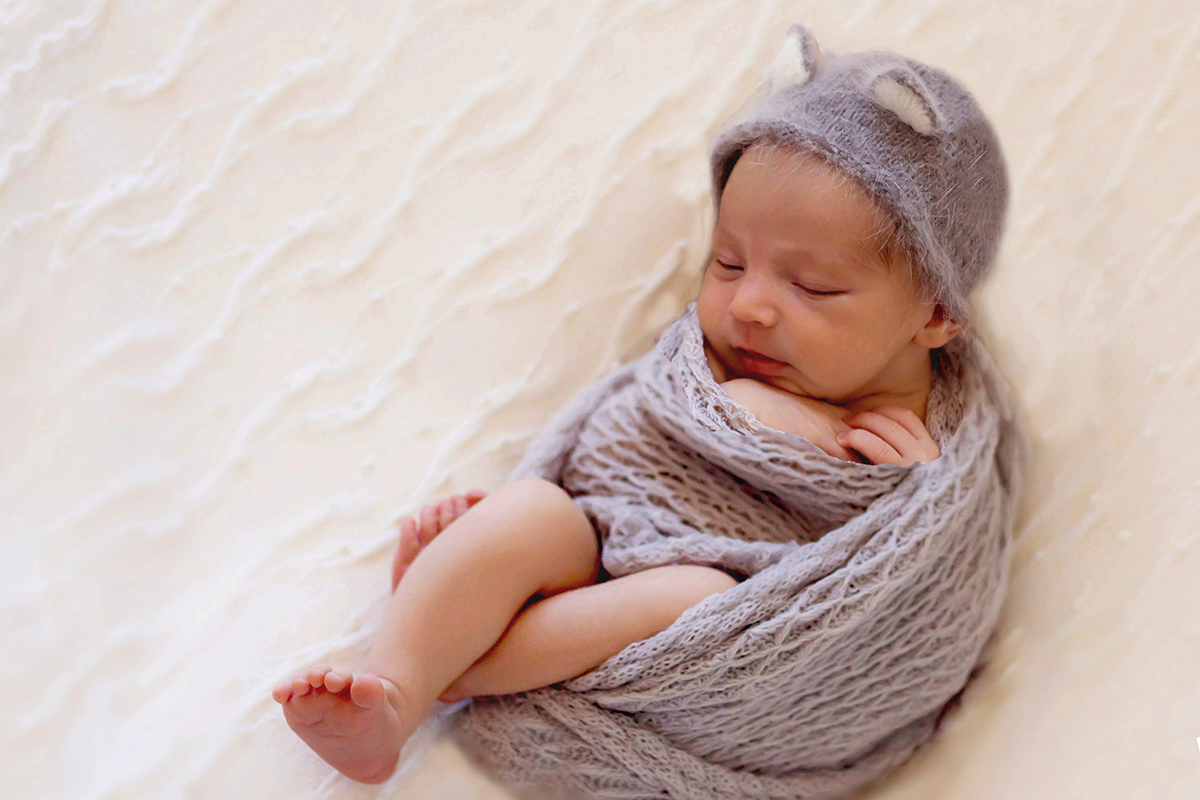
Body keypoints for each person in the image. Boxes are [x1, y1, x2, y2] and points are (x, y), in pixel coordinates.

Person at [272, 24, 1008, 787]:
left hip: (715, 636)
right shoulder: (726, 365)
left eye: (812, 287)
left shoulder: (947, 449)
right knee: (530, 511)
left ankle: (455, 665)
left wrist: (916, 488)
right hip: (597, 549)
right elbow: (642, 426)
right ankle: (395, 686)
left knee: (696, 591)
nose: (750, 306)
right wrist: (756, 404)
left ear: (936, 315)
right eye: (728, 263)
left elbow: (923, 599)